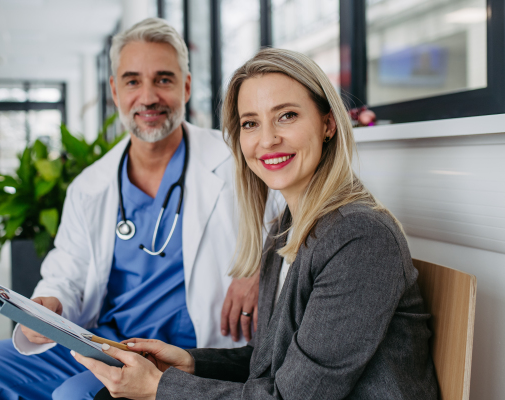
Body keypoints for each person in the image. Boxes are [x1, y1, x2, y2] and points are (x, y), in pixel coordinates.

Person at [79, 48, 439, 400]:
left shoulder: (359, 239)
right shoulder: (285, 228)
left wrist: (160, 389)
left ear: (328, 123)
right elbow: (269, 362)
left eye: (286, 116)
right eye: (251, 123)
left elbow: (291, 396)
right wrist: (189, 362)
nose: (267, 140)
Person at [0, 18, 273, 400]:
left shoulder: (237, 159)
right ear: (115, 91)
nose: (148, 97)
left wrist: (258, 268)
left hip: (184, 353)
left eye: (163, 80)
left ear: (185, 87)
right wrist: (49, 303)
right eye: (133, 81)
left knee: (74, 394)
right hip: (106, 342)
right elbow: (66, 268)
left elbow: (295, 220)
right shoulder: (91, 185)